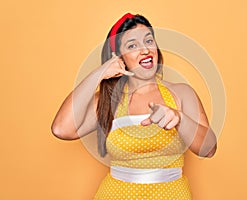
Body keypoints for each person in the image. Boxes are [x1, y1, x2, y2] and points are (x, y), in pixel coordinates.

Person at [51, 13, 217, 200]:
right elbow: (61, 129)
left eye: (149, 41)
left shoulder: (181, 93)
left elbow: (209, 149)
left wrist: (179, 119)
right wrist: (99, 73)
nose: (145, 50)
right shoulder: (108, 101)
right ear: (118, 57)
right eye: (132, 45)